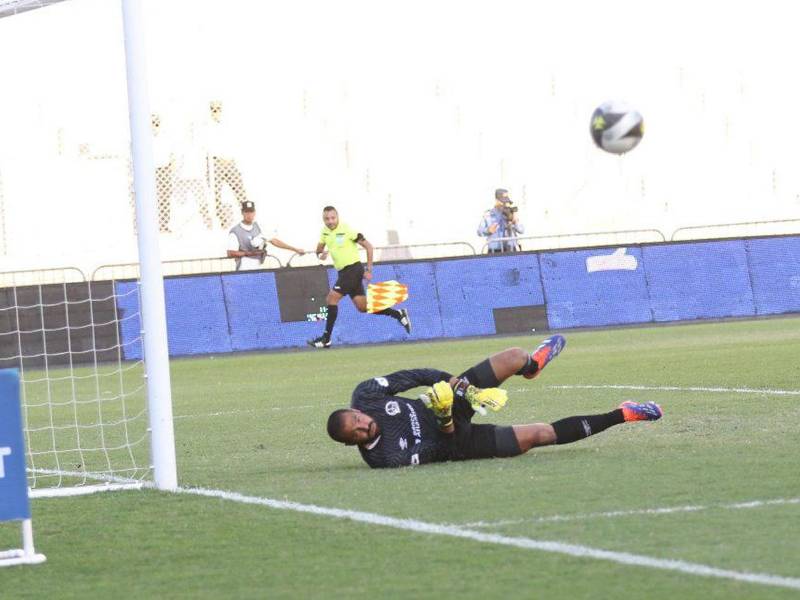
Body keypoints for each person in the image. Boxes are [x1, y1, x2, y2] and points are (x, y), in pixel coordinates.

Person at [326, 335, 663, 468]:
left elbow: (414, 376)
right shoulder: (383, 459)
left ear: (356, 410)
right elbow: (439, 451)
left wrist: (454, 385)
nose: (363, 426)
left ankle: (532, 367)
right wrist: (445, 420)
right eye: (356, 433)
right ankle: (624, 413)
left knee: (515, 356)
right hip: (459, 441)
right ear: (350, 444)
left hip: (448, 402)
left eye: (358, 420)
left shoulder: (366, 395)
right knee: (538, 436)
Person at [307, 206, 411, 348]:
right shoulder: (324, 232)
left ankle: (326, 339)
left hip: (353, 269)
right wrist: (322, 254)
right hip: (343, 272)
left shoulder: (347, 230)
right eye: (327, 219)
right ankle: (398, 314)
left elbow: (369, 246)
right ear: (323, 219)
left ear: (338, 217)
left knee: (331, 298)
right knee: (362, 307)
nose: (330, 221)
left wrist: (368, 269)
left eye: (333, 218)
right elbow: (318, 250)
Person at [227, 201, 305, 271]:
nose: (249, 215)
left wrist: (295, 249)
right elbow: (230, 253)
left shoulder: (259, 227)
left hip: (258, 266)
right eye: (246, 212)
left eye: (251, 212)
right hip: (244, 268)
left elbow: (274, 241)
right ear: (242, 213)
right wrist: (250, 253)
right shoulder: (235, 231)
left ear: (254, 212)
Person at [207, 100, 248, 229]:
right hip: (216, 163)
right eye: (213, 109)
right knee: (215, 194)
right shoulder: (207, 127)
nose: (216, 112)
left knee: (240, 191)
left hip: (229, 163)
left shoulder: (228, 125)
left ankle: (247, 218)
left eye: (218, 109)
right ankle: (221, 220)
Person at [477, 188, 525, 253]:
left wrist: (515, 221)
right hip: (495, 250)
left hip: (511, 249)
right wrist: (488, 230)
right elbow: (479, 231)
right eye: (502, 201)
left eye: (506, 201)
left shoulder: (511, 212)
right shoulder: (489, 214)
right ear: (497, 200)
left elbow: (521, 230)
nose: (504, 204)